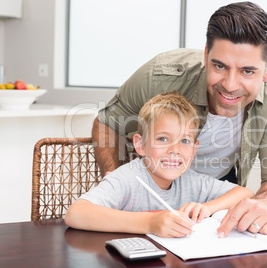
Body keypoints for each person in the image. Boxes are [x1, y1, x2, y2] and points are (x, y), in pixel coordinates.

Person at [92, 2, 267, 238]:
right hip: (151, 192)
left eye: (247, 71)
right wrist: (118, 180)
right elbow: (108, 123)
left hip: (214, 194)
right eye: (220, 66)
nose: (230, 85)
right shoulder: (159, 75)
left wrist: (265, 205)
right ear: (206, 55)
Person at [66, 92, 253, 237]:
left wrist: (208, 208)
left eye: (185, 141)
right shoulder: (127, 178)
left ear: (194, 150)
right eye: (163, 138)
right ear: (140, 145)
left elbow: (245, 194)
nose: (175, 149)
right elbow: (76, 213)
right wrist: (150, 223)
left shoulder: (190, 180)